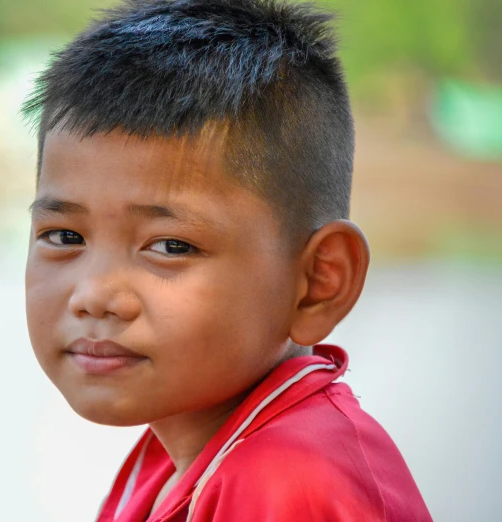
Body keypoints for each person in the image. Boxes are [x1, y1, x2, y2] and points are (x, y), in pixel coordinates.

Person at [22, 0, 432, 520]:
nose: (94, 294)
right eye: (63, 235)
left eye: (171, 246)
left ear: (318, 281)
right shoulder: (175, 453)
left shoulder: (292, 484)